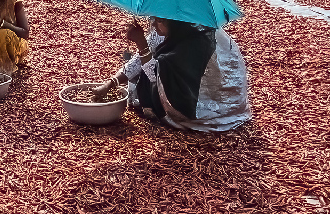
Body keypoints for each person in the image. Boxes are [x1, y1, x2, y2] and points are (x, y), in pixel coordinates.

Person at [92, 17, 251, 132]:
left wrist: (141, 43)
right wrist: (111, 83)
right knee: (145, 68)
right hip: (202, 91)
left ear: (176, 21)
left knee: (149, 76)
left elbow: (154, 76)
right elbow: (140, 60)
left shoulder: (196, 40)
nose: (154, 25)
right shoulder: (173, 27)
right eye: (153, 19)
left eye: (159, 20)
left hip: (213, 102)